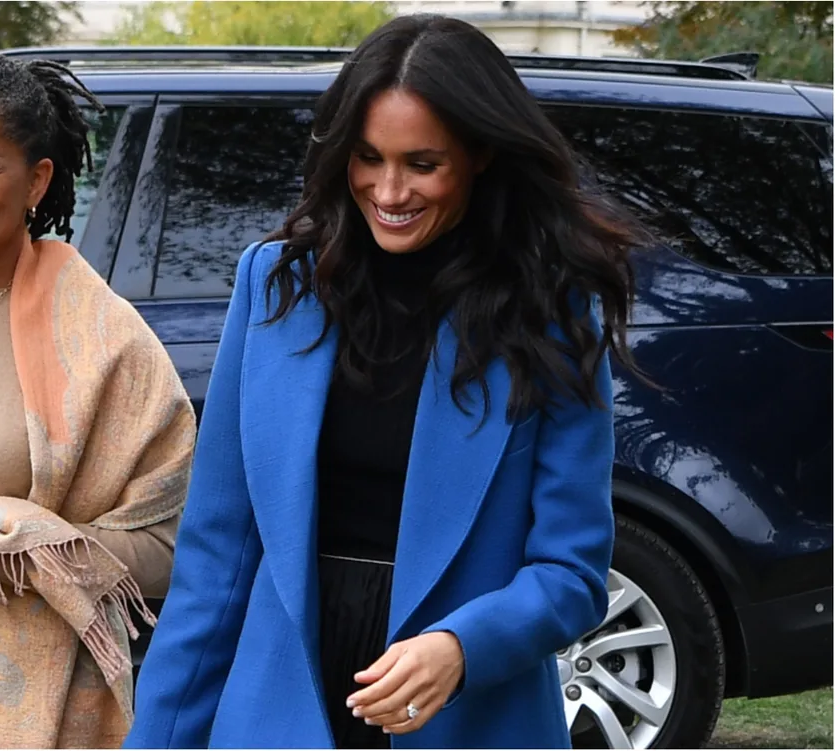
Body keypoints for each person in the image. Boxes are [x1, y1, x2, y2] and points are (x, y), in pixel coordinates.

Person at [125, 14, 649, 750]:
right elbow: (218, 555)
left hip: (467, 713)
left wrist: (464, 649)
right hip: (283, 702)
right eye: (367, 157)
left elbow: (570, 572)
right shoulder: (275, 286)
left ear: (481, 154)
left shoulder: (553, 312)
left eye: (421, 163)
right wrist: (159, 738)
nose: (388, 189)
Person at [0, 52, 196, 749]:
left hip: (16, 706)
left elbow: (171, 543)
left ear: (37, 179)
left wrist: (10, 547)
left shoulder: (106, 344)